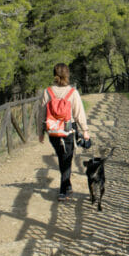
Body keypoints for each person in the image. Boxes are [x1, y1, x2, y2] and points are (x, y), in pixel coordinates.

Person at [38, 63, 90, 200]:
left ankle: (67, 186)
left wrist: (40, 133)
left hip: (53, 130)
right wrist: (85, 130)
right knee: (66, 159)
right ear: (68, 74)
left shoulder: (47, 92)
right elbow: (79, 113)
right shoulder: (73, 92)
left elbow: (41, 114)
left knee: (62, 158)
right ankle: (63, 190)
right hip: (68, 130)